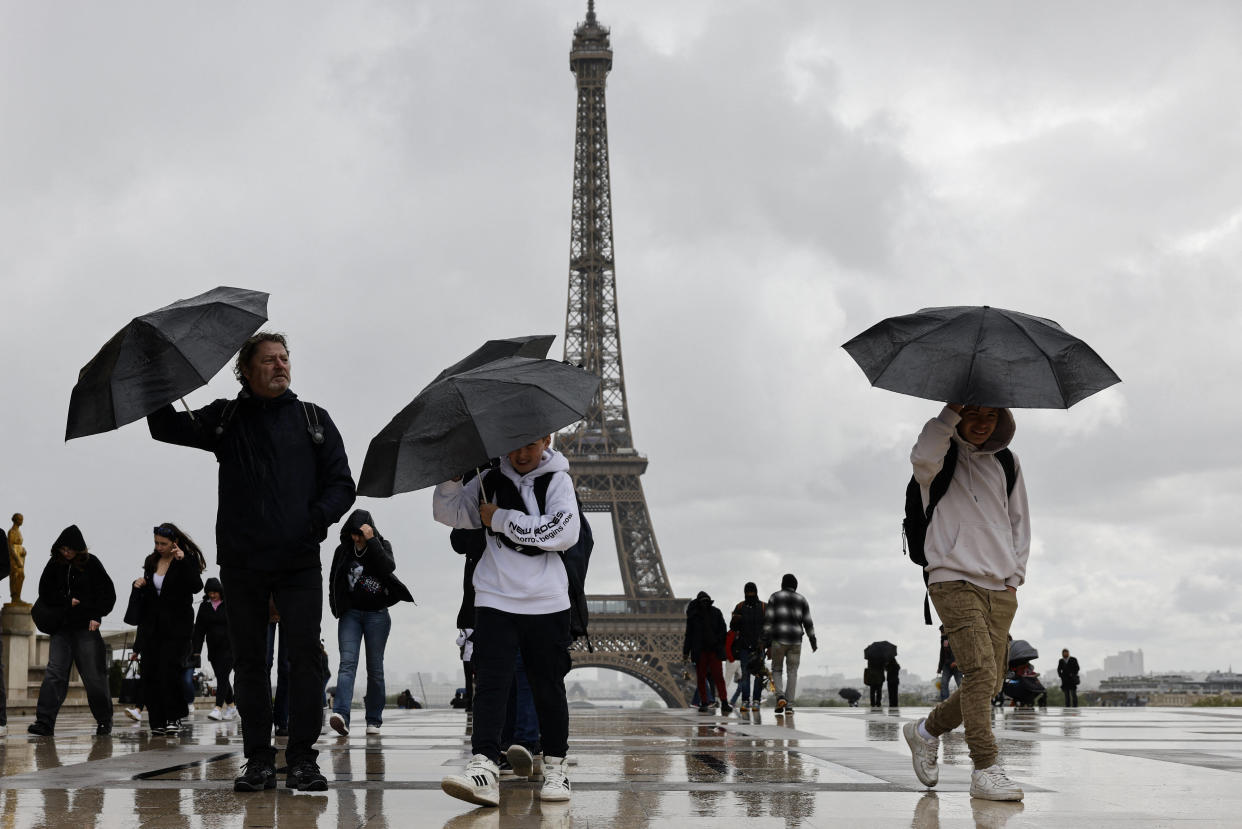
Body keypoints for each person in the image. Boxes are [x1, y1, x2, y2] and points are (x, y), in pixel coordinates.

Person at [147, 332, 356, 792]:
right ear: (246, 370)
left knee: (303, 660)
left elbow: (343, 484)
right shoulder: (227, 416)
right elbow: (163, 427)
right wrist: (158, 376)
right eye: (269, 361)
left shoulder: (313, 419)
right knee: (250, 663)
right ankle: (258, 758)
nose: (280, 366)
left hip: (299, 560)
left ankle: (302, 757)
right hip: (243, 562)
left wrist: (314, 521)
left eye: (285, 359)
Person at [433, 435, 580, 807]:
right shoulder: (489, 479)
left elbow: (563, 532)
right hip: (495, 596)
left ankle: (556, 766)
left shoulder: (557, 479)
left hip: (546, 600)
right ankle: (483, 763)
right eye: (514, 444)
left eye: (530, 444)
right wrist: (452, 475)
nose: (522, 453)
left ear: (547, 439)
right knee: (492, 685)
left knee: (548, 687)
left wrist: (499, 518)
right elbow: (448, 512)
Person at [902, 403, 1030, 802]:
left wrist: (1014, 579)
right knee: (978, 675)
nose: (980, 423)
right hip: (952, 578)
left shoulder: (1007, 462)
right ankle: (986, 768)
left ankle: (925, 731)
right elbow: (921, 457)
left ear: (1001, 420)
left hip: (999, 586)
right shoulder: (941, 455)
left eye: (989, 416)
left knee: (989, 683)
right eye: (972, 414)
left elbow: (1019, 521)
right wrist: (948, 414)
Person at [327, 509, 414, 737]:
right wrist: (336, 608)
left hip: (377, 615)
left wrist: (372, 540)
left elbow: (388, 567)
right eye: (353, 534)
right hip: (351, 615)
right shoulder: (343, 550)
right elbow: (333, 578)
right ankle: (341, 715)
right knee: (347, 664)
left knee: (375, 670)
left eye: (360, 534)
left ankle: (373, 720)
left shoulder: (382, 545)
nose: (356, 539)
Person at [28, 526, 116, 737]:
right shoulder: (54, 564)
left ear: (79, 549)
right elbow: (45, 592)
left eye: (70, 550)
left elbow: (107, 593)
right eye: (63, 549)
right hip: (62, 628)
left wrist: (97, 615)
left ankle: (104, 721)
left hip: (86, 627)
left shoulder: (91, 563)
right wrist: (66, 601)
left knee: (94, 676)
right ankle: (44, 722)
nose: (66, 553)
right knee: (54, 674)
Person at [130, 524, 205, 736]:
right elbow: (151, 594)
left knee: (169, 671)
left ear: (175, 543)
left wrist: (182, 561)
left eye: (163, 543)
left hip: (177, 627)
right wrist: (139, 583)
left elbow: (196, 586)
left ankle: (174, 717)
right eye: (156, 543)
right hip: (153, 626)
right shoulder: (151, 561)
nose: (159, 547)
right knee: (151, 672)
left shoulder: (186, 560)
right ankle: (157, 721)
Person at [763, 574, 817, 714]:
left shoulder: (774, 597)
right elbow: (808, 622)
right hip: (795, 640)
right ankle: (789, 705)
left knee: (776, 669)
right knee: (792, 672)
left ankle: (780, 696)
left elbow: (768, 621)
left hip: (778, 639)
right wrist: (813, 640)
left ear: (782, 584)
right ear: (795, 585)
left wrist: (764, 640)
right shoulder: (802, 599)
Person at [193, 577, 236, 721]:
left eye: (215, 592)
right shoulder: (204, 606)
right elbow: (199, 630)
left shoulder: (229, 603)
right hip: (214, 650)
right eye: (210, 593)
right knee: (222, 678)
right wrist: (197, 651)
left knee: (223, 677)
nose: (213, 595)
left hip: (229, 648)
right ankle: (231, 706)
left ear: (220, 591)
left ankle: (218, 708)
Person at [683, 591, 732, 716]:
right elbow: (723, 630)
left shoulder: (694, 615)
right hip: (710, 650)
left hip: (703, 651)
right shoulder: (715, 612)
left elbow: (689, 635)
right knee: (717, 678)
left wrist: (686, 652)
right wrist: (718, 643)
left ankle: (705, 703)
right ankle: (723, 702)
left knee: (702, 678)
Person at [729, 582, 767, 711]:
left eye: (752, 592)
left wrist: (767, 644)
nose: (750, 594)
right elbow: (733, 628)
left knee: (757, 675)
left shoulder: (764, 607)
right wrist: (735, 620)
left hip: (759, 647)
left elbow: (769, 628)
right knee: (746, 675)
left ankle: (755, 700)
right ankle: (746, 701)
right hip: (745, 647)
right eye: (748, 592)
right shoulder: (740, 607)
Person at [937, 625, 962, 701]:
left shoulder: (956, 638)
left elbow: (960, 651)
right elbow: (942, 654)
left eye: (942, 632)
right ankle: (945, 702)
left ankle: (965, 700)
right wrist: (940, 667)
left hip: (956, 666)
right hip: (947, 666)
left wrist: (956, 662)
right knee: (943, 683)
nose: (941, 633)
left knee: (960, 683)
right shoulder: (944, 640)